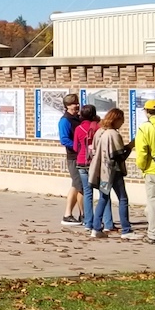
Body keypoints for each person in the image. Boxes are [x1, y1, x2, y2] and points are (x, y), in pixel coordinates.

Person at [87, 109, 129, 238]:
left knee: (103, 198)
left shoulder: (100, 132)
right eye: (121, 120)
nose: (123, 123)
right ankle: (126, 230)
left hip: (101, 170)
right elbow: (119, 156)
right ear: (116, 120)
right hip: (113, 171)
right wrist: (130, 147)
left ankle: (96, 228)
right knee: (123, 199)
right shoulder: (113, 134)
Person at [134, 96, 155, 243]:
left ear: (147, 112)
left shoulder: (145, 128)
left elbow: (141, 151)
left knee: (153, 203)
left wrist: (142, 167)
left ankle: (153, 234)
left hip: (152, 169)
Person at [71, 104, 100, 231]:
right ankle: (103, 221)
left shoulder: (78, 129)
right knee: (102, 192)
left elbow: (75, 148)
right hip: (95, 162)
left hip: (81, 161)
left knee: (87, 193)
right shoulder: (98, 127)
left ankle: (88, 222)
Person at [56, 94, 83, 226]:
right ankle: (75, 215)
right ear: (67, 106)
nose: (77, 105)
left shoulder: (77, 118)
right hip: (73, 157)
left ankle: (73, 214)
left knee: (76, 185)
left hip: (80, 156)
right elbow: (64, 139)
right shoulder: (65, 121)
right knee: (80, 185)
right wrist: (79, 147)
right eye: (74, 103)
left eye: (77, 103)